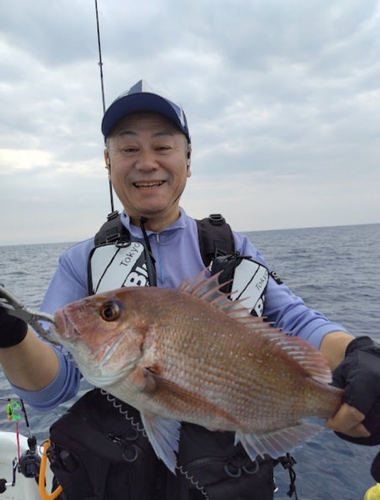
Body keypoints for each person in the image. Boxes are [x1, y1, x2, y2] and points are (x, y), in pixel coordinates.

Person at [0, 79, 379, 500]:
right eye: (128, 149)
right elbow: (52, 389)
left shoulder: (229, 250)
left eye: (163, 147)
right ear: (108, 162)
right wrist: (11, 335)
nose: (147, 163)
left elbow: (295, 322)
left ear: (188, 160)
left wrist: (358, 353)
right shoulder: (81, 262)